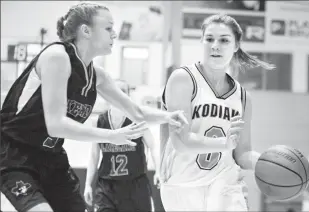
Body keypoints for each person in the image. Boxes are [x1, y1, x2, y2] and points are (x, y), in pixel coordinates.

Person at [0, 2, 186, 212]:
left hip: (51, 157)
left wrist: (169, 116)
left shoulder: (98, 77)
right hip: (15, 153)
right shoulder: (57, 56)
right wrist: (109, 135)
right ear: (86, 31)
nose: (114, 34)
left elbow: (138, 112)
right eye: (108, 28)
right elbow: (56, 125)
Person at [159, 13, 275, 211]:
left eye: (224, 40)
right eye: (209, 39)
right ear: (202, 42)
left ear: (236, 45)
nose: (215, 45)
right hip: (183, 185)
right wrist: (224, 143)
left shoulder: (243, 97)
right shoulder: (183, 79)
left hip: (224, 184)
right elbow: (180, 141)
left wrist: (267, 162)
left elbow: (242, 153)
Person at [84, 80, 160, 212]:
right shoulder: (98, 121)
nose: (118, 94)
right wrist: (87, 184)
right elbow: (94, 156)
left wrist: (159, 171)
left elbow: (153, 146)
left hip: (135, 185)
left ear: (127, 96)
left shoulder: (137, 119)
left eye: (122, 91)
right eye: (114, 91)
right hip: (106, 186)